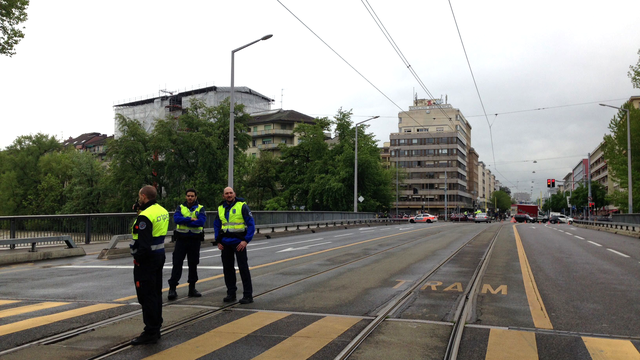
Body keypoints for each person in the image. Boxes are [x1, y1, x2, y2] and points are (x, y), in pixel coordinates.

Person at [129, 185, 169, 345]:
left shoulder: (145, 217)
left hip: (146, 260)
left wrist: (137, 257)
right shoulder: (162, 210)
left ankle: (150, 331)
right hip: (159, 256)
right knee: (156, 293)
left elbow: (144, 244)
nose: (139, 199)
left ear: (144, 196)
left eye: (140, 196)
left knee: (146, 295)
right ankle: (156, 326)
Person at [213, 187, 255, 304]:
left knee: (243, 268)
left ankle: (248, 295)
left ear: (234, 194)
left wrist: (246, 241)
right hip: (225, 242)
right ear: (223, 196)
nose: (229, 195)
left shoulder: (242, 206)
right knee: (228, 269)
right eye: (226, 193)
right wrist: (218, 241)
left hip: (239, 242)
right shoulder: (221, 208)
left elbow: (251, 224)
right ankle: (231, 293)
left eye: (231, 193)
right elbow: (217, 225)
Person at [168, 188, 206, 300]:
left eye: (192, 196)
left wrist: (186, 221)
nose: (190, 197)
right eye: (188, 196)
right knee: (177, 263)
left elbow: (201, 222)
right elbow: (176, 219)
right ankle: (172, 289)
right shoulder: (180, 207)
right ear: (186, 197)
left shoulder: (200, 208)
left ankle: (192, 288)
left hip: (194, 240)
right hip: (181, 240)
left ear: (195, 197)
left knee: (193, 264)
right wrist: (190, 219)